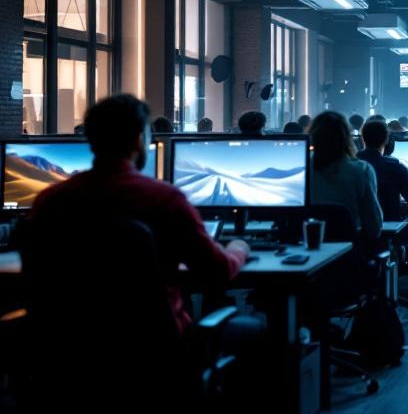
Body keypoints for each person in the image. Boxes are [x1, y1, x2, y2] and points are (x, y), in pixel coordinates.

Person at [22, 95, 249, 334]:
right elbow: (217, 272)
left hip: (69, 350)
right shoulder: (165, 200)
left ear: (90, 141)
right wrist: (238, 248)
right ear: (140, 140)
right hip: (155, 348)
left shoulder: (49, 201)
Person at [310, 112, 383, 239]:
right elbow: (374, 228)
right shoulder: (362, 170)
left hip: (308, 251)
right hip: (350, 254)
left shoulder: (300, 170)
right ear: (346, 137)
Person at [357, 120, 408, 221]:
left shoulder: (350, 165)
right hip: (390, 225)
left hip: (356, 229)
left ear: (363, 139)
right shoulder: (396, 167)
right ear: (387, 140)